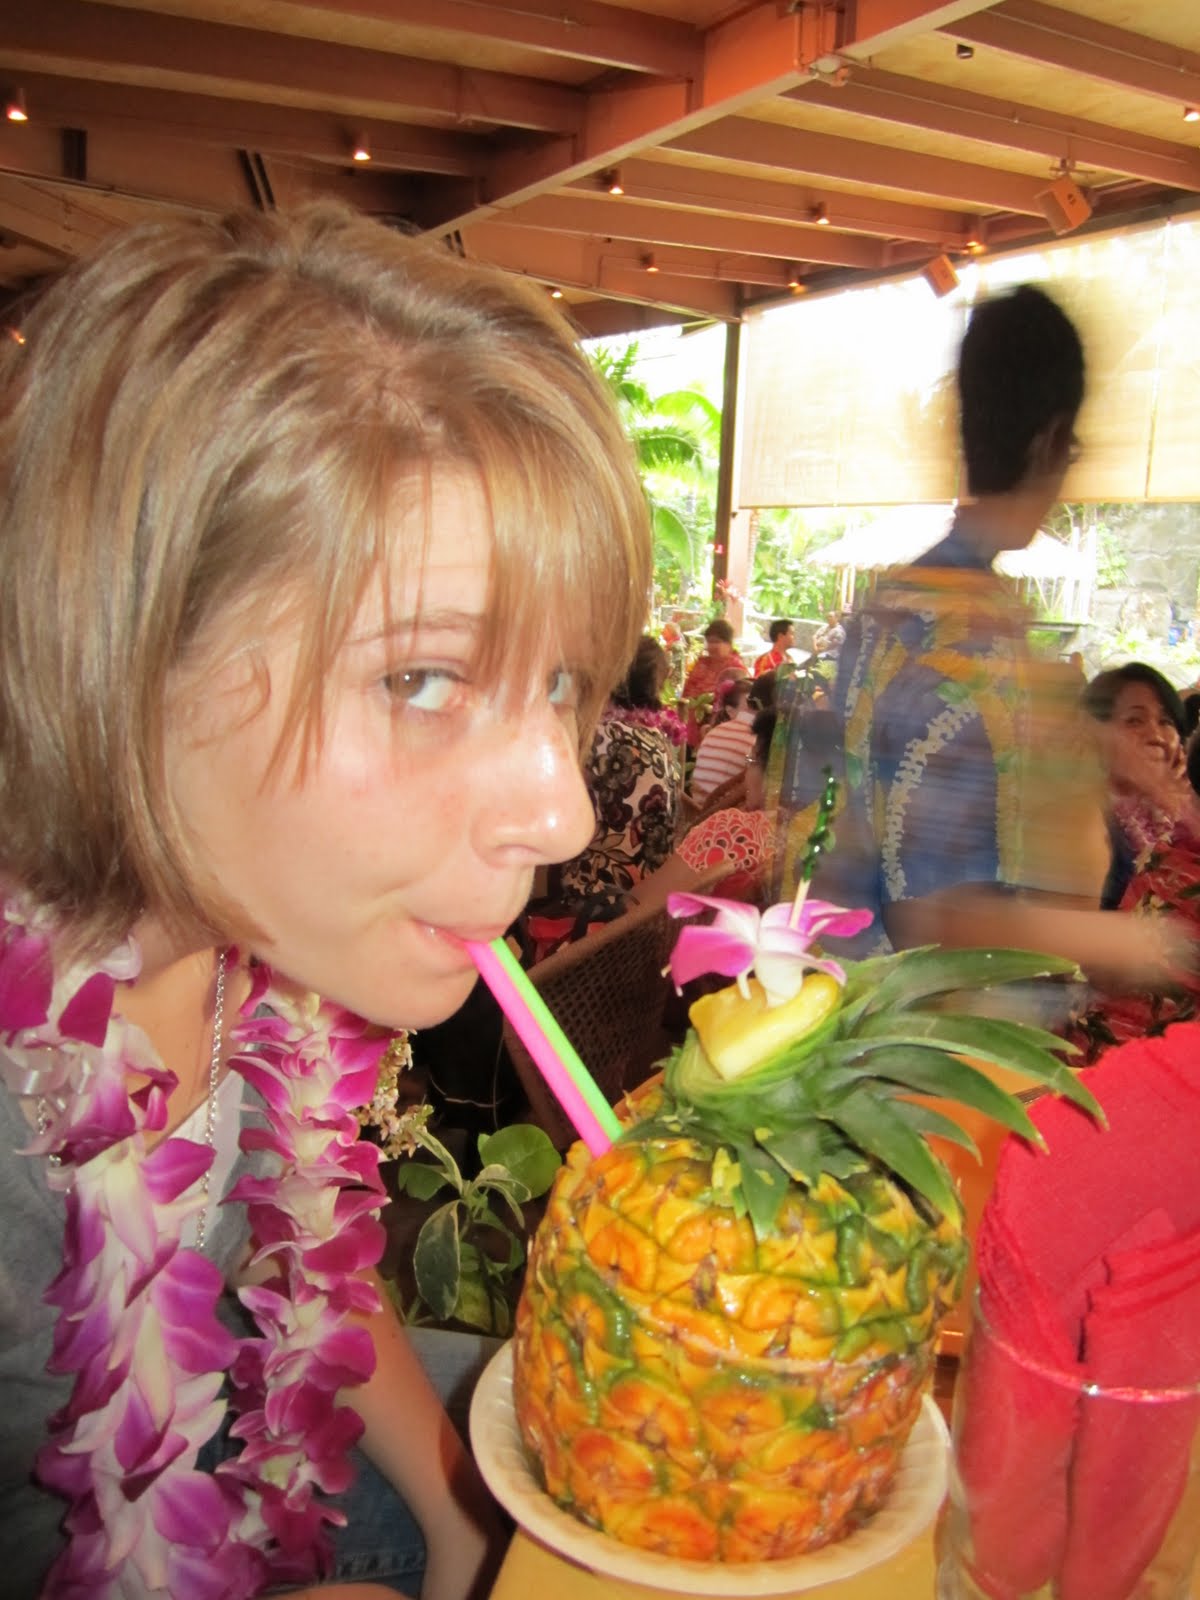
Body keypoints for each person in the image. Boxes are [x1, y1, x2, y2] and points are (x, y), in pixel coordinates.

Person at [0, 205, 650, 1600]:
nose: (565, 815)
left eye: (559, 683)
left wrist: (468, 1516)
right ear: (129, 652)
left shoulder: (263, 945)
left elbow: (317, 1275)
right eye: (422, 679)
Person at [775, 284, 1180, 994]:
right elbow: (930, 919)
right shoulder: (964, 639)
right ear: (1052, 441)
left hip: (841, 997)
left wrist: (1096, 750)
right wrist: (1138, 945)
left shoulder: (899, 603)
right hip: (913, 1032)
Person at [1065, 665, 1200, 1060]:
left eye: (1166, 721)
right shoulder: (1078, 819)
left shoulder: (1174, 819)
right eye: (1135, 721)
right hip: (1109, 1038)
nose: (1156, 735)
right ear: (1091, 732)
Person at [553, 635, 684, 918]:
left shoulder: (599, 736)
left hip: (598, 893)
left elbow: (557, 809)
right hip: (651, 893)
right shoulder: (659, 738)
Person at [679, 618, 746, 747]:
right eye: (709, 641)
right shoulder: (702, 664)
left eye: (716, 642)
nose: (711, 646)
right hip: (692, 728)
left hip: (721, 730)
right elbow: (687, 692)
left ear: (729, 644)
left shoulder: (736, 669)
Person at [690, 676, 757, 802]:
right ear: (730, 711)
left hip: (697, 808)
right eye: (750, 705)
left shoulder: (713, 733)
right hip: (722, 810)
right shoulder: (754, 737)